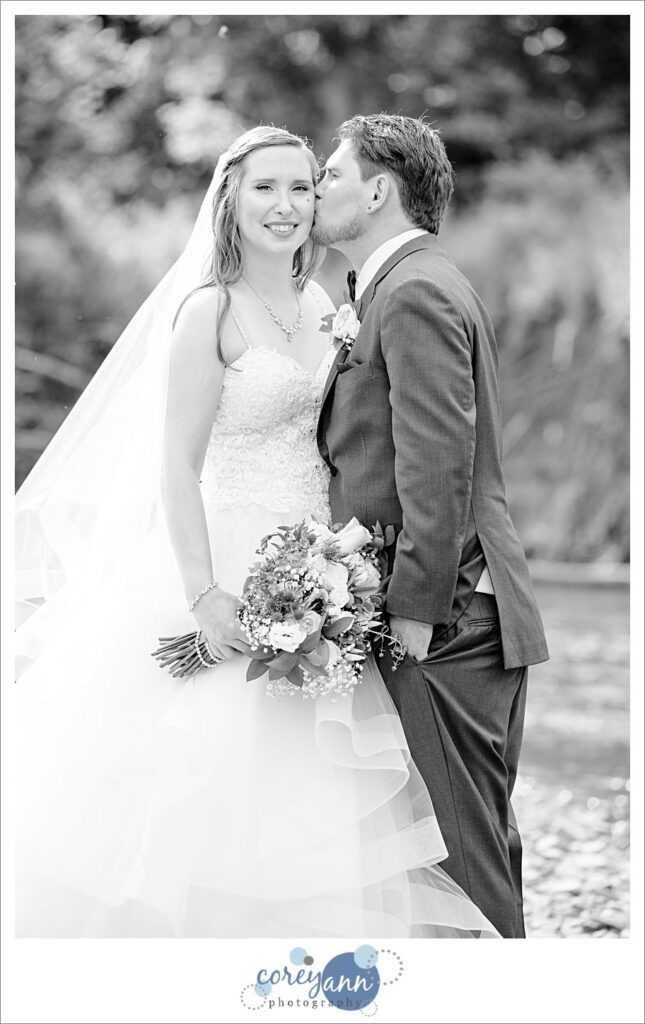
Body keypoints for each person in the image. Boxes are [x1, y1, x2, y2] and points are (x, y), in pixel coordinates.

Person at [14, 126, 498, 938]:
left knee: (311, 799)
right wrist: (203, 593)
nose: (286, 206)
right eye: (265, 188)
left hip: (316, 572)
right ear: (229, 200)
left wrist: (339, 570)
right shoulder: (208, 311)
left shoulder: (326, 307)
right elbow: (175, 466)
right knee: (197, 781)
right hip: (223, 560)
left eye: (303, 187)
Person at [313, 114, 550, 939]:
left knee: (461, 855)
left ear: (378, 190)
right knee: (453, 844)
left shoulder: (411, 291)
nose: (315, 190)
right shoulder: (398, 284)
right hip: (444, 609)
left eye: (330, 175)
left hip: (444, 619)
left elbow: (438, 462)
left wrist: (415, 608)